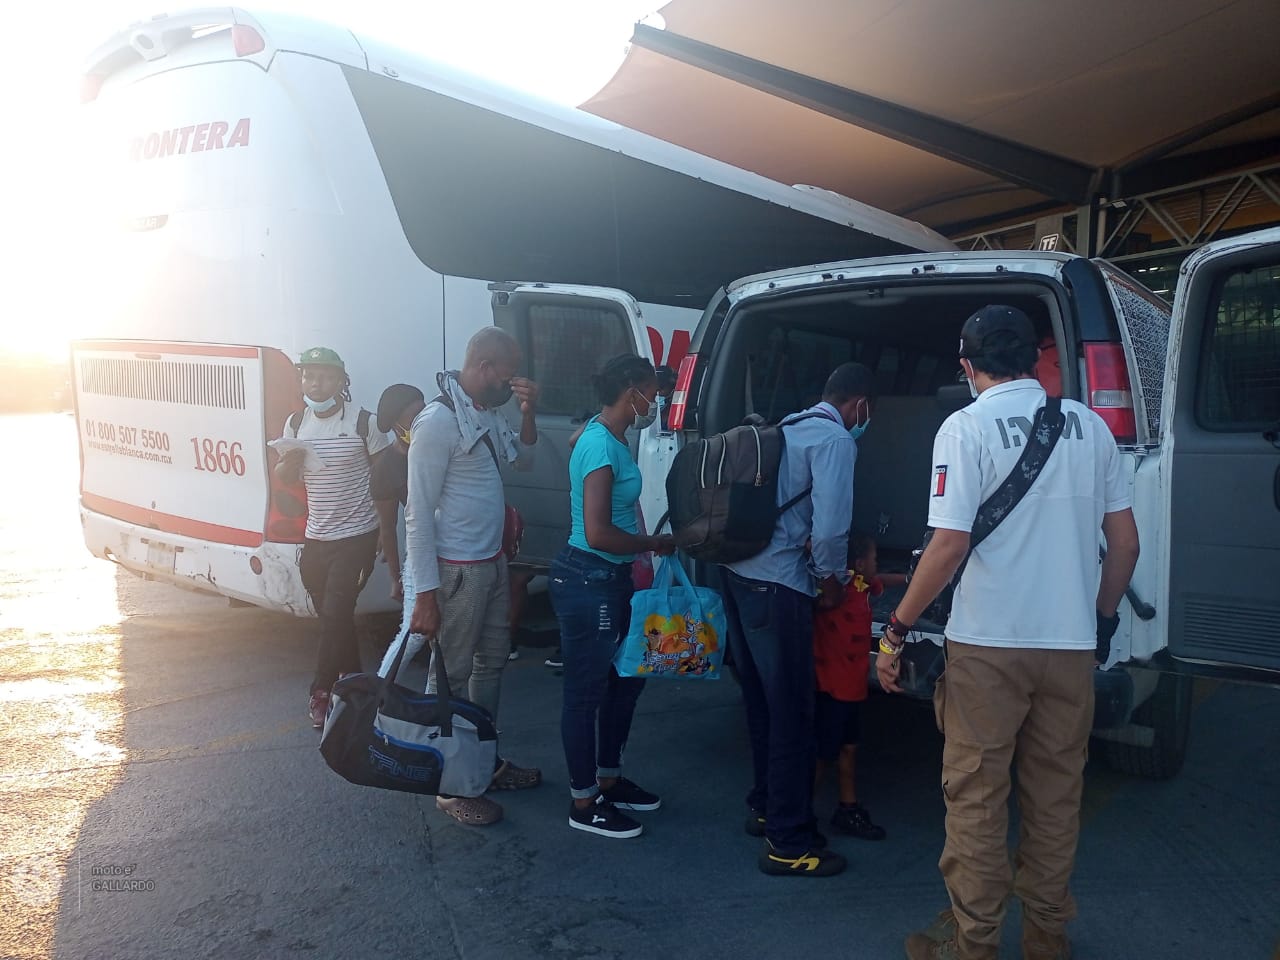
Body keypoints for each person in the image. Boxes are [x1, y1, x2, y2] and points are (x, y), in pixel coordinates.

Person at [875, 305, 1140, 960]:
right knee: (1055, 801)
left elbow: (948, 546)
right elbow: (1125, 545)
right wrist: (1102, 622)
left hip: (987, 647)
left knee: (977, 802)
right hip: (1069, 649)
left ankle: (974, 946)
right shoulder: (1090, 427)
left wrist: (896, 630)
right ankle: (1047, 940)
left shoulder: (964, 428)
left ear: (967, 366)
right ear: (1033, 359)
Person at [721, 361, 875, 877]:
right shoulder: (835, 441)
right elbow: (830, 530)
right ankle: (788, 843)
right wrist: (830, 583)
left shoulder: (783, 427)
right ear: (859, 405)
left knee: (762, 704)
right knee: (793, 714)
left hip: (738, 574)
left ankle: (765, 806)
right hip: (779, 586)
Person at [398, 327, 544, 826]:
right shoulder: (437, 421)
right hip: (458, 571)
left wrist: (527, 412)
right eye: (508, 375)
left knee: (490, 665)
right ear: (484, 368)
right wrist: (425, 594)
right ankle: (450, 785)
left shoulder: (483, 411)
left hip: (491, 563)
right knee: (451, 677)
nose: (512, 382)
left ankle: (483, 761)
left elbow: (524, 459)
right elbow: (417, 514)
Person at [549, 354, 674, 839]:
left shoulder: (608, 437)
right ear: (631, 393)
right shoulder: (601, 445)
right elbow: (597, 532)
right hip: (589, 578)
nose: (654, 404)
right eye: (651, 394)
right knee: (585, 694)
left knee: (624, 682)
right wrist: (652, 543)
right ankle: (584, 801)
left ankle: (608, 778)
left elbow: (579, 442)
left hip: (611, 577)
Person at [276, 347, 391, 729]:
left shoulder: (363, 422)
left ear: (342, 381)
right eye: (309, 376)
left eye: (325, 377)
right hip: (316, 537)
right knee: (333, 617)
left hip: (357, 536)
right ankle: (354, 681)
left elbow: (385, 479)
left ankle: (321, 691)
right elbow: (286, 477)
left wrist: (385, 531)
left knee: (336, 612)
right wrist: (288, 465)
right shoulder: (296, 423)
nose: (316, 384)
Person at [812, 533, 906, 841]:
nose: (877, 564)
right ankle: (798, 816)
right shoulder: (835, 593)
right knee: (822, 755)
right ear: (859, 563)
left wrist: (911, 579)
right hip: (831, 688)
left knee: (848, 747)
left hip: (852, 688)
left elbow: (881, 580)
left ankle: (847, 809)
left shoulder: (864, 585)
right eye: (874, 558)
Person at [372, 383, 426, 602]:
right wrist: (396, 578)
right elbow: (387, 527)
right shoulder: (385, 468)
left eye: (425, 413)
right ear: (396, 425)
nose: (423, 422)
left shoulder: (442, 446)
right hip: (425, 551)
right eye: (415, 418)